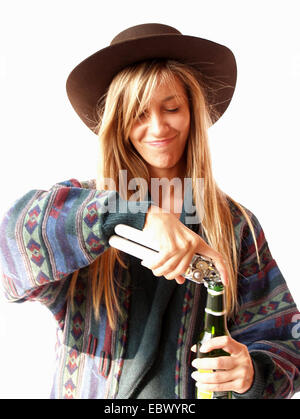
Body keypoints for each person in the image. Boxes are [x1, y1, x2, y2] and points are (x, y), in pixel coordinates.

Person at [0, 23, 299, 400]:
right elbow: (9, 247)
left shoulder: (236, 224)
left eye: (171, 108)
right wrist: (137, 215)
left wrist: (250, 372)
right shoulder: (80, 209)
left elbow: (286, 343)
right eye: (139, 114)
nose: (157, 127)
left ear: (193, 111)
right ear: (118, 123)